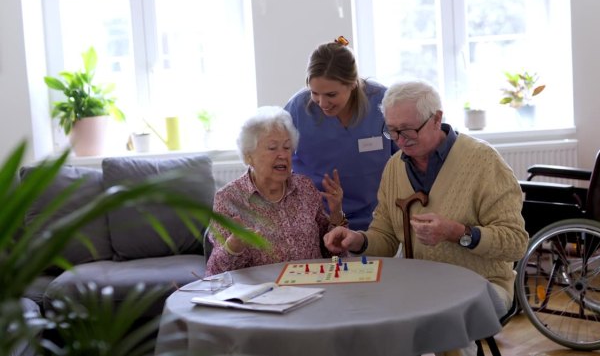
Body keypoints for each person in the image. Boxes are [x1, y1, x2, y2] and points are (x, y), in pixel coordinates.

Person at [323, 81, 528, 356]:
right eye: (392, 131)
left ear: (437, 119)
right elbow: (383, 238)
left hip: (483, 285)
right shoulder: (394, 168)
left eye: (408, 130)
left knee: (444, 321)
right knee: (370, 321)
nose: (399, 140)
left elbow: (515, 243)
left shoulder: (483, 161)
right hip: (417, 288)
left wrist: (457, 232)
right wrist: (356, 240)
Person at [206, 106, 347, 275]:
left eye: (287, 147)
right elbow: (215, 273)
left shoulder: (305, 188)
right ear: (248, 155)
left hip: (312, 287)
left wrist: (336, 213)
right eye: (272, 148)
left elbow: (332, 252)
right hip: (262, 295)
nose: (282, 155)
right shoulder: (228, 199)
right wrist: (233, 246)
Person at [284, 36, 396, 232]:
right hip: (317, 220)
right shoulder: (297, 109)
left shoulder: (383, 102)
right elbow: (275, 157)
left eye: (331, 95)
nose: (322, 103)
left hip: (377, 219)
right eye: (314, 93)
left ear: (353, 83)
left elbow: (405, 157)